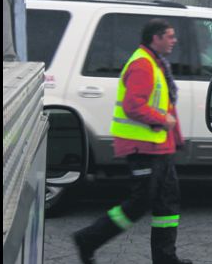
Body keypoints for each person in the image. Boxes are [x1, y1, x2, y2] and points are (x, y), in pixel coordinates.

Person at [73, 19, 191, 264]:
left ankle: (166, 259)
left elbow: (167, 106)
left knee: (167, 206)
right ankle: (88, 239)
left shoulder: (156, 63)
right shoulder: (142, 65)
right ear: (155, 38)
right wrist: (163, 121)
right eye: (169, 36)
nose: (174, 40)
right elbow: (133, 106)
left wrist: (175, 139)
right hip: (143, 147)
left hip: (160, 147)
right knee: (140, 203)